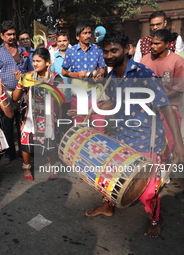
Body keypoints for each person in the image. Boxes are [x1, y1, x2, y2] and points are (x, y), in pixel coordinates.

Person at [77, 30, 184, 238]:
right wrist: (90, 112)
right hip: (122, 137)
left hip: (147, 140)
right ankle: (108, 206)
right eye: (105, 52)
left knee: (148, 189)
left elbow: (166, 107)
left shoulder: (143, 74)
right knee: (109, 177)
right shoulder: (111, 75)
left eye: (113, 51)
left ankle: (156, 219)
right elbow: (115, 101)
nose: (109, 56)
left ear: (127, 50)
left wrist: (179, 145)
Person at [13, 48, 63, 180]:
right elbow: (15, 98)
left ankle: (52, 166)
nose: (35, 63)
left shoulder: (56, 78)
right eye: (33, 60)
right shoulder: (28, 76)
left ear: (47, 62)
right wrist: (20, 82)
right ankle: (27, 167)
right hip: (29, 117)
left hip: (48, 119)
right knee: (26, 143)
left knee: (48, 144)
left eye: (38, 61)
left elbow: (60, 101)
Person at [0, 21, 33, 165]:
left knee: (23, 123)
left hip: (23, 93)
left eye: (13, 34)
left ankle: (24, 152)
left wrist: (26, 84)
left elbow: (30, 70)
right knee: (7, 124)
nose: (11, 37)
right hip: (6, 94)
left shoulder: (23, 50)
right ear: (2, 36)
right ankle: (9, 153)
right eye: (8, 34)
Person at [141, 29, 184, 162]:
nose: (152, 47)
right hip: (147, 108)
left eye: (157, 44)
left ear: (167, 44)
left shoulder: (177, 61)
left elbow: (179, 88)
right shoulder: (145, 59)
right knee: (148, 145)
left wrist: (158, 99)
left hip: (170, 108)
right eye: (151, 43)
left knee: (168, 145)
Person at [62, 23, 106, 133]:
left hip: (96, 92)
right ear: (78, 36)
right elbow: (64, 71)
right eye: (84, 33)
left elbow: (102, 68)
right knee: (80, 126)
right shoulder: (71, 51)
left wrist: (99, 75)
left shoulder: (98, 49)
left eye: (89, 33)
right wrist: (77, 74)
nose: (88, 35)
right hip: (78, 93)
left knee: (99, 124)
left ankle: (99, 149)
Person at [51, 31, 72, 135]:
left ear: (69, 41)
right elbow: (51, 78)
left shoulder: (75, 56)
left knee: (75, 126)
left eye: (64, 40)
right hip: (60, 98)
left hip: (74, 97)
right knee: (62, 126)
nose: (62, 43)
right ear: (56, 42)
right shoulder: (53, 58)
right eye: (59, 41)